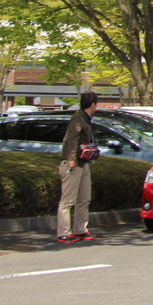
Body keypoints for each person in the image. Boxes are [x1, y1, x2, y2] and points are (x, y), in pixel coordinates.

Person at [57, 91, 99, 243]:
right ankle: (63, 232)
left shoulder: (86, 118)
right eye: (96, 104)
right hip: (73, 164)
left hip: (84, 163)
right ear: (93, 104)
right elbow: (71, 139)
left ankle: (80, 229)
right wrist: (71, 159)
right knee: (67, 201)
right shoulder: (78, 118)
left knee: (84, 199)